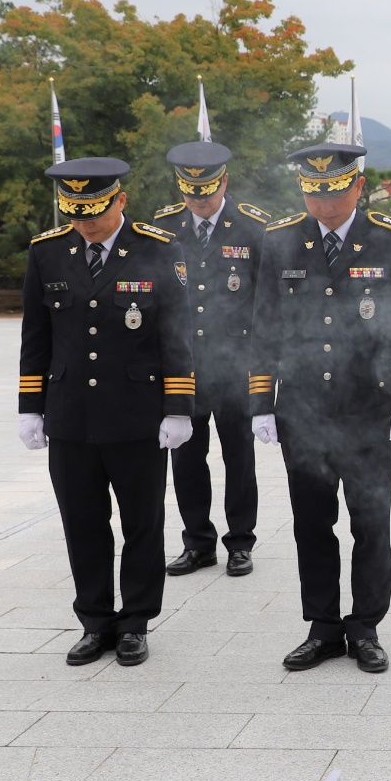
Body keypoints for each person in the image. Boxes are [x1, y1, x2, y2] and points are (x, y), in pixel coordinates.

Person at [248, 142, 391, 675]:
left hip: (368, 407)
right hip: (302, 410)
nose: (323, 205)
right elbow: (265, 325)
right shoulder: (280, 242)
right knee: (311, 523)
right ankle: (322, 627)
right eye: (313, 193)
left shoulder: (389, 241)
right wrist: (261, 400)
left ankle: (366, 627)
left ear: (357, 187)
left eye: (333, 192)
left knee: (371, 523)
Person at [17, 157, 194, 667]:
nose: (85, 222)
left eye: (94, 210)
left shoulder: (159, 249)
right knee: (82, 522)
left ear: (120, 200)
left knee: (142, 523)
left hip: (137, 413)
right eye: (75, 212)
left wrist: (177, 406)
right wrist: (31, 406)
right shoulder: (48, 252)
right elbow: (36, 336)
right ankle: (95, 621)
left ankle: (135, 620)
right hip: (70, 413)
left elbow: (176, 337)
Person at [153, 140, 272, 579]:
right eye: (190, 194)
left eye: (206, 193)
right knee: (185, 456)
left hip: (236, 364)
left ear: (224, 182)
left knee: (239, 456)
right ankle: (197, 541)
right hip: (184, 366)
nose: (199, 203)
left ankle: (240, 542)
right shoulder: (165, 227)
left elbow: (265, 301)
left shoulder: (253, 227)